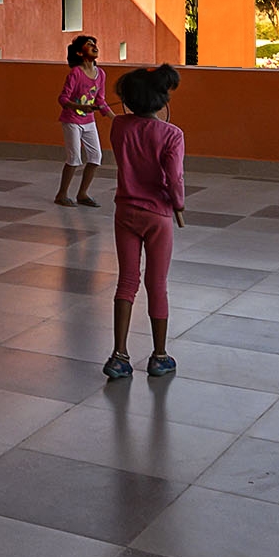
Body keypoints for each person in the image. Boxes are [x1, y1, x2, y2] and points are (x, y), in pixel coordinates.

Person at [103, 63, 186, 380]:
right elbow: (174, 178)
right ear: (162, 100)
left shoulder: (119, 126)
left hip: (125, 211)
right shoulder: (172, 134)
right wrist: (178, 204)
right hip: (158, 215)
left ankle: (119, 355)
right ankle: (159, 355)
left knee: (127, 281)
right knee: (157, 283)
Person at [52, 35, 110, 206]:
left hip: (89, 122)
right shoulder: (75, 73)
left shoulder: (101, 74)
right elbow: (63, 99)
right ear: (79, 52)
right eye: (89, 44)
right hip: (72, 120)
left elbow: (100, 100)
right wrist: (79, 107)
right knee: (74, 158)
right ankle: (61, 195)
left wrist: (113, 117)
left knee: (96, 157)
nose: (94, 46)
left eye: (94, 44)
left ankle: (82, 194)